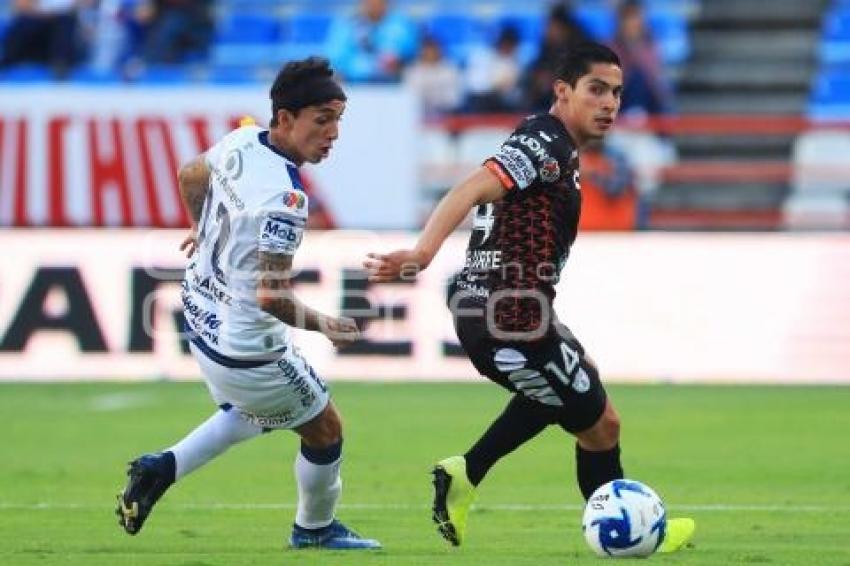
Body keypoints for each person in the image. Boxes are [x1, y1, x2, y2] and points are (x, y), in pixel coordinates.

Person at [365, 42, 694, 552]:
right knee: (576, 404)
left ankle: (616, 523)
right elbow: (471, 186)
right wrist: (422, 252)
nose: (610, 103)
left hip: (513, 312)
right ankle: (474, 475)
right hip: (508, 317)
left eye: (617, 93)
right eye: (597, 90)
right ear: (562, 92)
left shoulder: (555, 147)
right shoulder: (547, 143)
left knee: (597, 420)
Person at [115, 57, 381, 551]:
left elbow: (191, 173)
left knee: (253, 412)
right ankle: (314, 531)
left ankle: (161, 468)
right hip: (247, 348)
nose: (334, 134)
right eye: (323, 120)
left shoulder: (242, 139)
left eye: (339, 121)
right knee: (324, 429)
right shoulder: (287, 199)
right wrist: (328, 325)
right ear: (285, 119)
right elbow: (271, 296)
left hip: (199, 314)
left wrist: (201, 226)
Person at [325, 0, 418, 83]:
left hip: (394, 85)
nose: (374, 4)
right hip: (352, 84)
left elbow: (410, 52)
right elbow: (336, 56)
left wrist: (397, 60)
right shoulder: (346, 23)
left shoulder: (401, 24)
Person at [612, 0, 674, 116]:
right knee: (635, 77)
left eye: (636, 18)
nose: (633, 23)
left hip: (649, 101)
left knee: (641, 77)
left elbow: (657, 80)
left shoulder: (651, 47)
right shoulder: (611, 47)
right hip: (621, 100)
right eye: (629, 19)